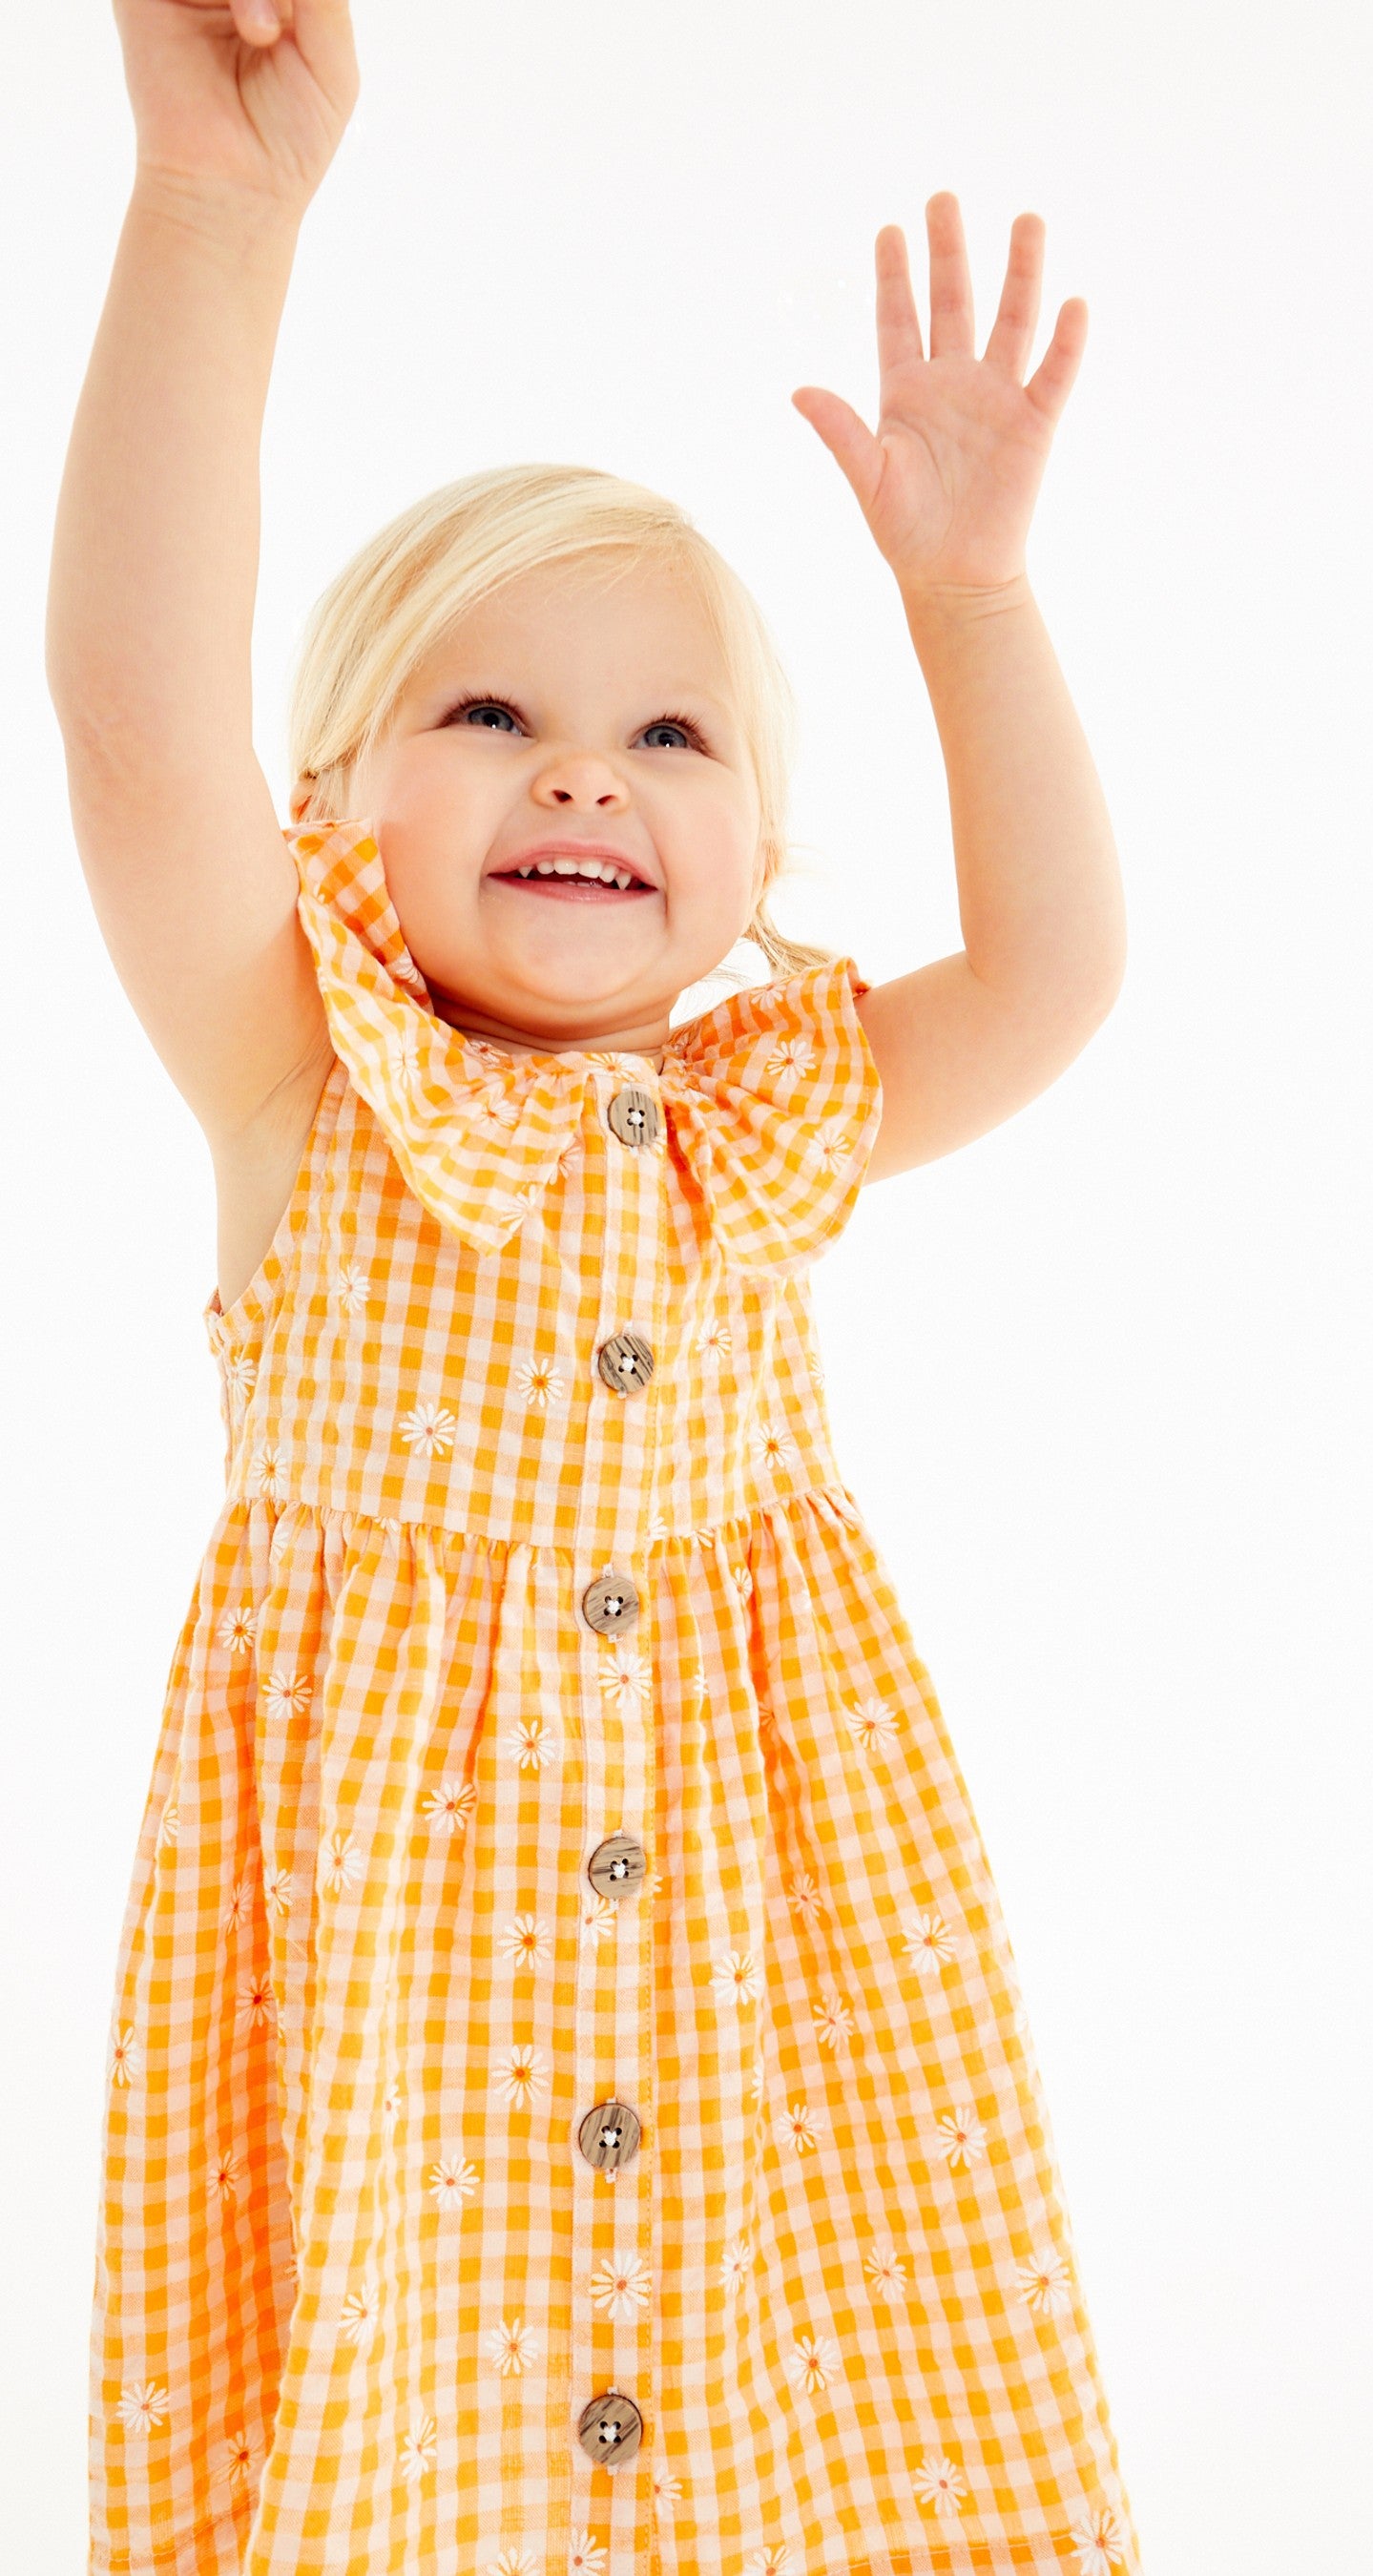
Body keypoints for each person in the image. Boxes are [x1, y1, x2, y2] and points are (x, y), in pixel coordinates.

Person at [47, 5, 1136, 2571]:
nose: (586, 772)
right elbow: (124, 725)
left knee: (813, 2466)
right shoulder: (298, 1083)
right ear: (330, 801)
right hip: (406, 2005)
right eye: (492, 707)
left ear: (750, 844)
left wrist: (968, 595)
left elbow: (1062, 971)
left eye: (669, 732)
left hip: (775, 1983)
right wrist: (217, 213)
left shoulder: (777, 1116)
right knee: (415, 2464)